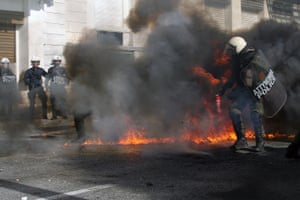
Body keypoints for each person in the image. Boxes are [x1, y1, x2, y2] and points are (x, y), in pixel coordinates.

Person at [218, 36, 266, 152]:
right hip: (244, 90)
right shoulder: (236, 59)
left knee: (256, 114)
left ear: (238, 47)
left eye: (232, 49)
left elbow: (264, 73)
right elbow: (234, 76)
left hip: (255, 90)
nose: (230, 52)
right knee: (234, 110)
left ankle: (260, 143)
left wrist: (257, 84)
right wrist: (224, 89)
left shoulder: (253, 57)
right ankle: (242, 140)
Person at [46, 55, 69, 120]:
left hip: (61, 87)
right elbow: (48, 78)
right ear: (53, 62)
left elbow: (67, 78)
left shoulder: (63, 69)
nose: (57, 62)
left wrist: (66, 84)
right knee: (53, 102)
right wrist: (46, 86)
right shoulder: (50, 69)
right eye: (55, 61)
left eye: (58, 61)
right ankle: (54, 115)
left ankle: (64, 114)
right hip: (53, 87)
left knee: (63, 101)